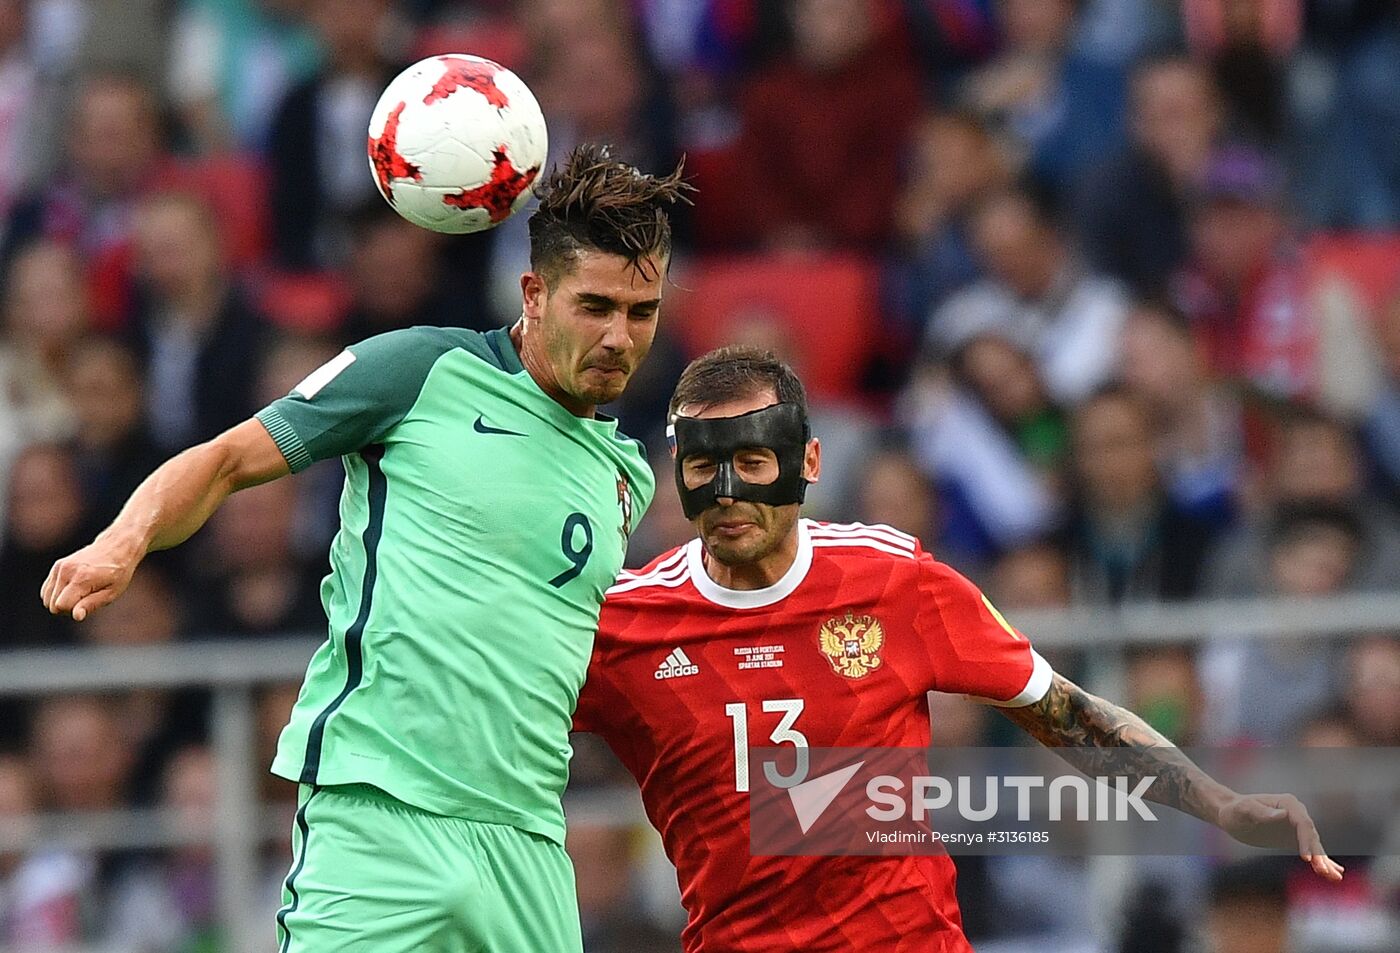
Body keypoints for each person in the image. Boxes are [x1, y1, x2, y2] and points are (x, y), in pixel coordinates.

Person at [41, 143, 691, 952]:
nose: (620, 336)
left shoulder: (625, 473)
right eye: (594, 306)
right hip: (379, 817)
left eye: (641, 312)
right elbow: (225, 460)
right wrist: (122, 539)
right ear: (534, 293)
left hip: (526, 838)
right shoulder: (421, 369)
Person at [575, 346, 1344, 952]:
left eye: (752, 462)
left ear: (808, 462)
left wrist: (1218, 801)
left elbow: (1066, 713)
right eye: (703, 467)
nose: (728, 491)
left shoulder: (894, 579)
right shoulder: (623, 623)